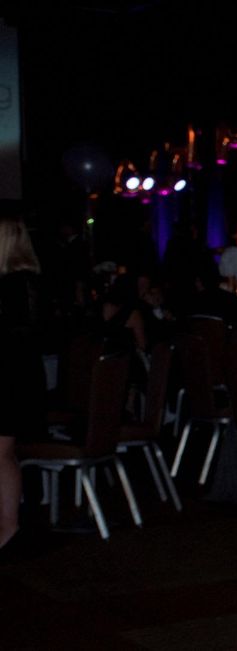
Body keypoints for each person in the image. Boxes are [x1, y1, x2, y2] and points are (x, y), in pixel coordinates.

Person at [0, 216, 47, 553]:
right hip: (15, 374)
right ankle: (8, 523)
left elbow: (20, 333)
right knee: (3, 453)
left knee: (1, 453)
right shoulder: (22, 281)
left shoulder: (19, 283)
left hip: (11, 378)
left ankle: (9, 524)